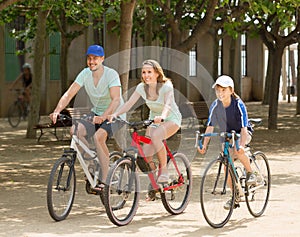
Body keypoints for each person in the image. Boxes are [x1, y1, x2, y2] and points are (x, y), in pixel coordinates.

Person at [50, 44, 124, 189]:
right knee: (75, 132)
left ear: (102, 59)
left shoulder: (111, 74)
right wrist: (57, 110)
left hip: (115, 113)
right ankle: (92, 164)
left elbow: (116, 99)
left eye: (95, 58)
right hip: (96, 113)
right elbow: (69, 94)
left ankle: (104, 179)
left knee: (99, 137)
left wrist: (103, 117)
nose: (92, 62)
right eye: (89, 59)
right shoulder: (85, 74)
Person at [110, 59, 182, 184]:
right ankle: (155, 183)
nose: (146, 75)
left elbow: (168, 105)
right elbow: (129, 104)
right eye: (144, 72)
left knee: (156, 136)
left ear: (157, 73)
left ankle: (164, 170)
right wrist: (115, 114)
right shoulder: (141, 87)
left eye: (149, 72)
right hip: (153, 120)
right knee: (145, 156)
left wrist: (163, 117)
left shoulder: (166, 86)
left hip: (171, 119)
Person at [198, 75, 256, 210]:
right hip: (227, 135)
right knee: (226, 166)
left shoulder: (238, 104)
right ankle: (235, 195)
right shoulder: (215, 105)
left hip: (242, 133)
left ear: (231, 90)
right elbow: (210, 126)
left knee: (238, 150)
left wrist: (241, 145)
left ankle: (250, 173)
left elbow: (243, 128)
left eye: (223, 90)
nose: (220, 93)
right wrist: (204, 144)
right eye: (218, 90)